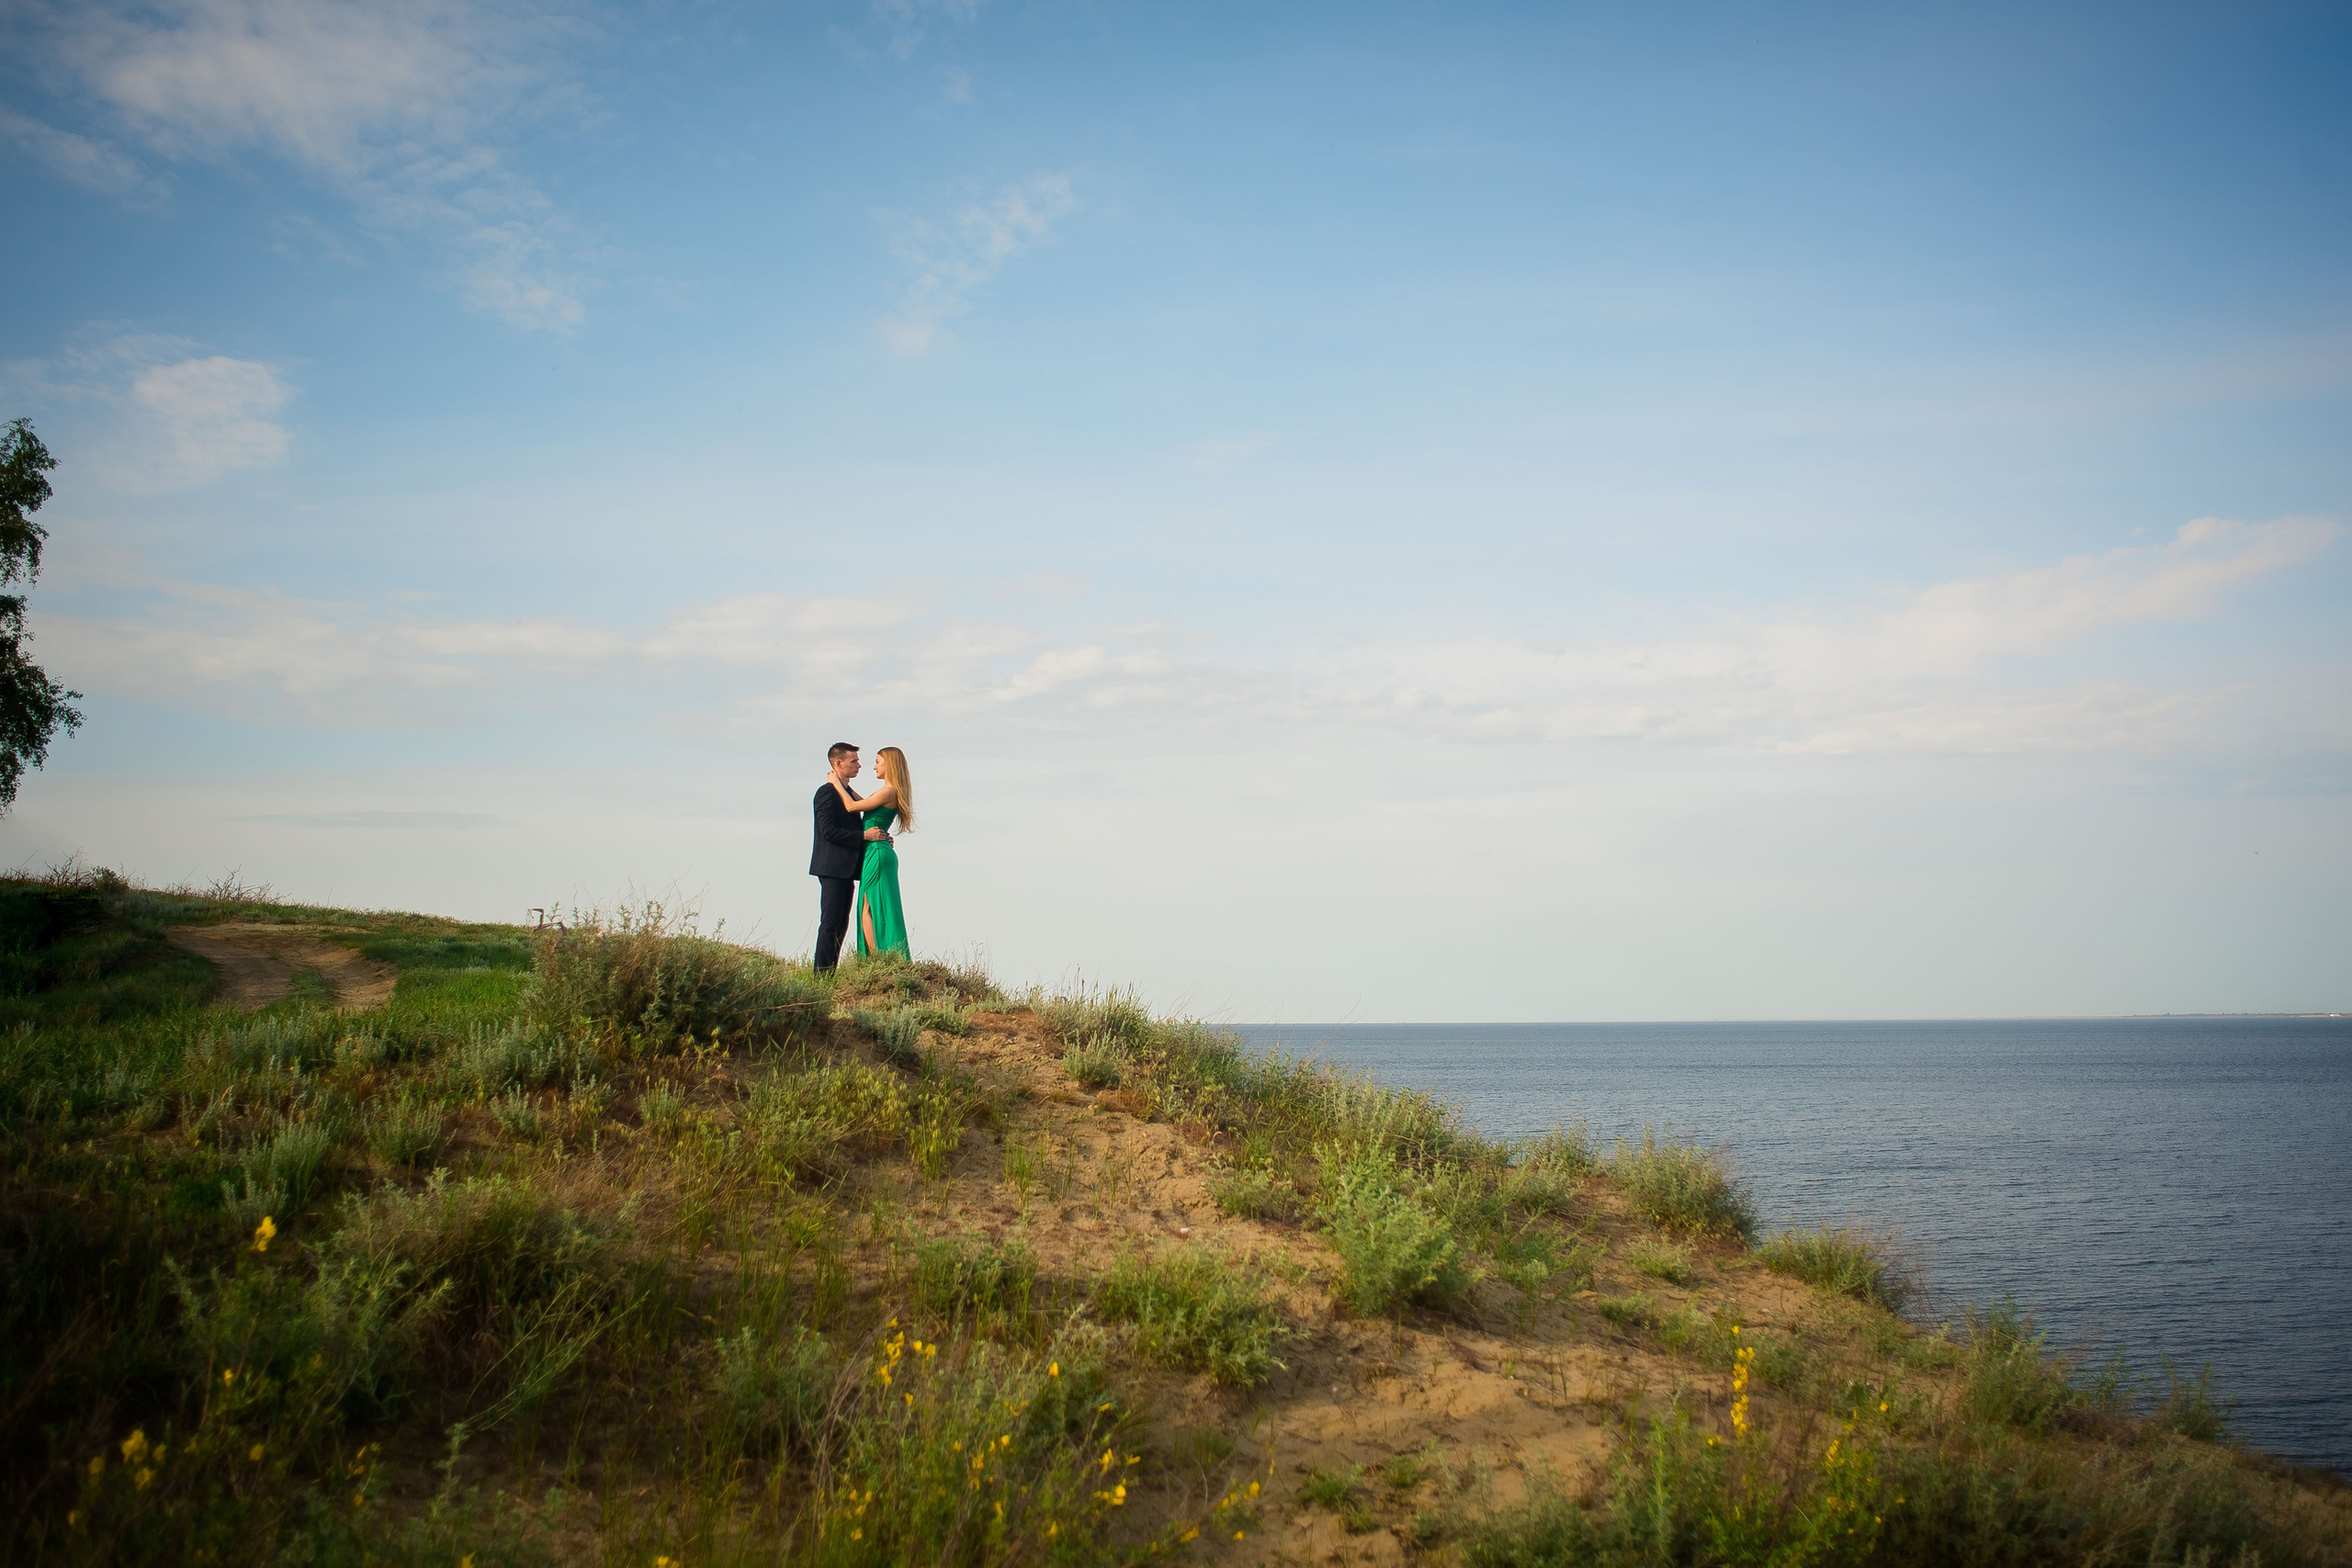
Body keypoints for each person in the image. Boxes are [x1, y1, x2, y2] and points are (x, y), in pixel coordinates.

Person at [825, 745, 913, 959]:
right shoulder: (889, 791)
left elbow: (853, 807)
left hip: (876, 852)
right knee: (877, 906)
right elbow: (863, 803)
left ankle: (876, 959)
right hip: (877, 850)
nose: (873, 767)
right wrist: (845, 788)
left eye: (877, 762)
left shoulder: (888, 791)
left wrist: (837, 784)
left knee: (868, 908)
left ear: (889, 765)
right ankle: (882, 956)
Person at [809, 742, 890, 970]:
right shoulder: (826, 793)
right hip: (832, 868)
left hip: (847, 869)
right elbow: (828, 832)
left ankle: (828, 974)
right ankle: (821, 975)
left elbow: (863, 814)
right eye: (853, 761)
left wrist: (879, 835)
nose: (859, 765)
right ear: (838, 763)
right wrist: (864, 835)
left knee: (841, 923)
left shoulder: (845, 793)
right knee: (830, 923)